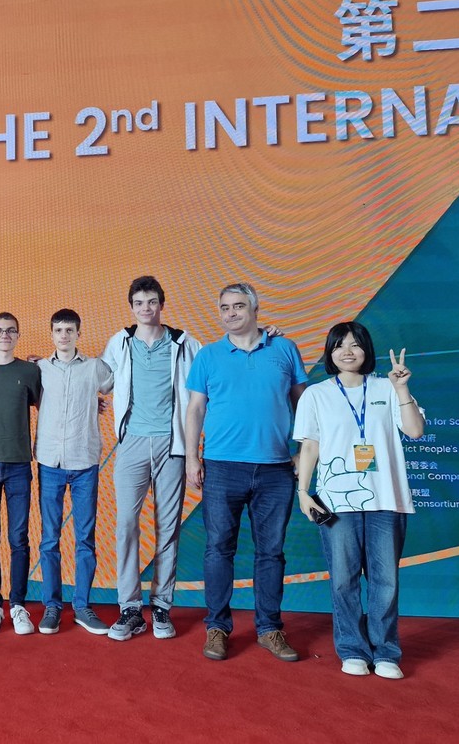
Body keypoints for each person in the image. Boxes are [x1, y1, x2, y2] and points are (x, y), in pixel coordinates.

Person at [185, 283, 307, 662]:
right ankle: (217, 628)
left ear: (255, 309)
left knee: (271, 552)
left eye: (238, 306)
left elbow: (304, 404)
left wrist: (304, 453)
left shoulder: (284, 349)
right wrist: (191, 458)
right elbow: (195, 410)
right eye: (225, 307)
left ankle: (270, 629)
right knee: (218, 549)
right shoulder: (208, 355)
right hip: (222, 467)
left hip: (275, 469)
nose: (231, 313)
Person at [295, 322, 423, 680]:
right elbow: (310, 447)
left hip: (386, 498)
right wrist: (303, 492)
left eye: (355, 344)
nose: (347, 351)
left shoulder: (387, 386)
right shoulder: (316, 395)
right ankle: (352, 649)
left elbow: (414, 430)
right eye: (339, 345)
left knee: (386, 581)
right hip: (336, 502)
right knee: (343, 580)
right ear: (330, 352)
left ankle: (386, 652)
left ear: (366, 349)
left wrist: (402, 388)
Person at [102, 276, 201, 641]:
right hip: (131, 443)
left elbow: (209, 379)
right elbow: (100, 380)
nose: (146, 308)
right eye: (139, 303)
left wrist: (265, 334)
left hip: (172, 445)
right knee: (126, 525)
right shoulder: (120, 342)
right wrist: (46, 365)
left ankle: (161, 606)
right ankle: (130, 608)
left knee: (167, 528)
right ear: (132, 307)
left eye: (152, 302)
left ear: (162, 304)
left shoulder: (184, 343)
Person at [35, 309, 113, 636]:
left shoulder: (95, 368)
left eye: (69, 330)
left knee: (85, 539)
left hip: (84, 463)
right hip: (49, 463)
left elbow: (120, 384)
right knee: (49, 539)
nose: (64, 335)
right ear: (52, 334)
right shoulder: (39, 369)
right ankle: (52, 606)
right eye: (58, 330)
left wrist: (96, 403)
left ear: (79, 333)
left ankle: (81, 606)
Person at [0, 312, 42, 636]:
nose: (4, 335)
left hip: (17, 464)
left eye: (10, 330)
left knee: (18, 539)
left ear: (18, 336)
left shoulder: (30, 371)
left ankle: (17, 605)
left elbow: (54, 402)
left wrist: (91, 403)